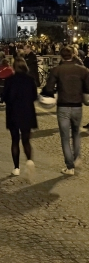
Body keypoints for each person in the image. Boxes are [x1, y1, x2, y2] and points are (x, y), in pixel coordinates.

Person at [42, 46, 89, 175]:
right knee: (76, 133)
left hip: (63, 105)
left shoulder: (57, 70)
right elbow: (87, 88)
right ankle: (76, 157)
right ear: (73, 55)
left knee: (64, 137)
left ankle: (70, 167)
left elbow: (49, 89)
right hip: (77, 106)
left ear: (61, 56)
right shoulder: (83, 70)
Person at [3, 58, 37, 179]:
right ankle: (29, 160)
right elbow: (34, 96)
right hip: (27, 112)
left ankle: (16, 168)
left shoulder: (9, 80)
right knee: (26, 140)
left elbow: (4, 97)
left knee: (15, 140)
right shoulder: (30, 80)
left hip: (13, 112)